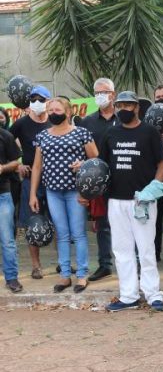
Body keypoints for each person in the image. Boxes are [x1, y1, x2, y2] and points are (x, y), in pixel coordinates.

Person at [99, 91, 163, 312]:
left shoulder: (149, 132)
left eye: (128, 105)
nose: (124, 110)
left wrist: (153, 188)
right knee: (122, 250)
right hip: (116, 200)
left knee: (146, 248)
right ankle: (128, 296)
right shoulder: (110, 133)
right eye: (120, 106)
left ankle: (153, 294)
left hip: (142, 201)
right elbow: (103, 166)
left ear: (137, 107)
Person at [30, 97, 97, 293]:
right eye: (50, 110)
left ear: (67, 113)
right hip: (52, 192)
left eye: (57, 110)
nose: (53, 113)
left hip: (76, 191)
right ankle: (65, 275)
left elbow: (96, 159)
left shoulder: (82, 133)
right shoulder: (43, 136)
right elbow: (36, 166)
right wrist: (32, 194)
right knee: (62, 234)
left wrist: (83, 164)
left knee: (78, 233)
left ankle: (82, 275)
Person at [10, 85, 52, 279]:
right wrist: (17, 165)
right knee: (32, 223)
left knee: (59, 223)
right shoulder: (21, 124)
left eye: (41, 100)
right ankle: (36, 266)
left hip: (54, 180)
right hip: (29, 181)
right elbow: (5, 143)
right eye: (33, 99)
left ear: (48, 102)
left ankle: (63, 264)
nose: (37, 103)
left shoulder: (55, 121)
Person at [80, 77, 118, 282]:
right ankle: (105, 265)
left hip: (123, 179)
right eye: (97, 93)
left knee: (125, 223)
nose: (100, 96)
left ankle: (131, 263)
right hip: (98, 181)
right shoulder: (88, 122)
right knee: (102, 224)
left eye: (104, 92)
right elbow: (83, 151)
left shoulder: (123, 119)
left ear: (113, 94)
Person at [0, 122, 23, 293]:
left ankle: (12, 278)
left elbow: (16, 162)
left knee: (7, 240)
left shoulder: (5, 136)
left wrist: (2, 168)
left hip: (2, 194)